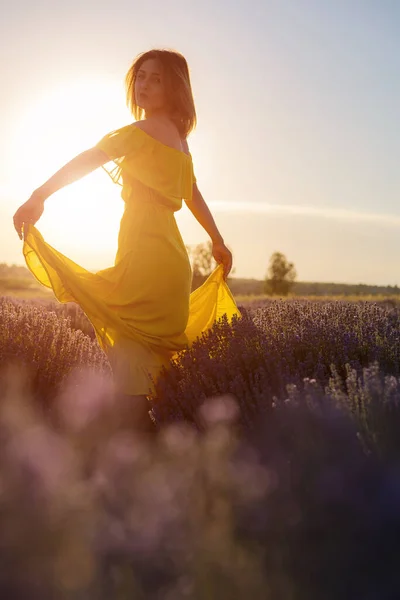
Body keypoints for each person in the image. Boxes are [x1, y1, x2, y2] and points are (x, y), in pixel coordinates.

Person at [13, 48, 240, 435]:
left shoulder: (142, 132)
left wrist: (39, 194)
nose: (145, 85)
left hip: (145, 251)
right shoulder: (179, 139)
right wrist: (217, 239)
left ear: (176, 88)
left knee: (129, 354)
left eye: (156, 79)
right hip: (171, 259)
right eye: (140, 76)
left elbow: (89, 158)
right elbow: (193, 193)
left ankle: (132, 455)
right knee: (150, 362)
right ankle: (160, 449)